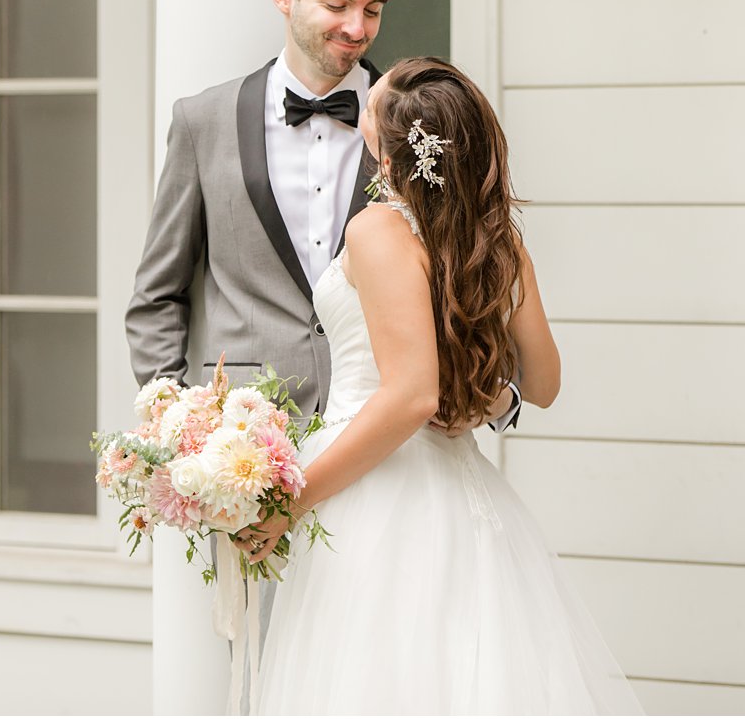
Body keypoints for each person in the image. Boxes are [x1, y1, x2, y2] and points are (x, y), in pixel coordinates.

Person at [238, 57, 643, 715]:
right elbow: (541, 383)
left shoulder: (377, 230)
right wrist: (487, 396)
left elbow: (411, 394)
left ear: (391, 151)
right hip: (462, 493)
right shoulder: (496, 240)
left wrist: (295, 499)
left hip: (374, 491)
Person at [126, 0, 522, 429]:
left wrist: (490, 393)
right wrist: (177, 419)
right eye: (337, 4)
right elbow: (158, 295)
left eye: (373, 9)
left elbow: (473, 264)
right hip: (244, 436)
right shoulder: (201, 121)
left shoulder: (418, 128)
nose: (357, 28)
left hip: (386, 434)